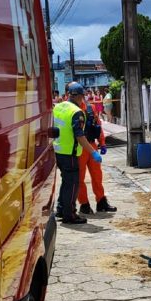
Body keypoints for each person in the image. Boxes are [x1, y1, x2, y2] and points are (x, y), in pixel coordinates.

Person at [53, 82, 103, 225]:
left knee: (66, 182)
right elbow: (80, 137)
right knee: (73, 184)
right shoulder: (76, 112)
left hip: (58, 151)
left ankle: (61, 209)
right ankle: (70, 215)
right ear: (80, 96)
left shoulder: (58, 107)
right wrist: (93, 152)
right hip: (70, 153)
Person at [77, 93, 117, 215]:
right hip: (79, 147)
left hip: (91, 145)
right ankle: (84, 204)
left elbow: (97, 126)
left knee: (97, 176)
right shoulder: (71, 109)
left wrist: (102, 143)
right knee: (80, 178)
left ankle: (101, 202)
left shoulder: (90, 108)